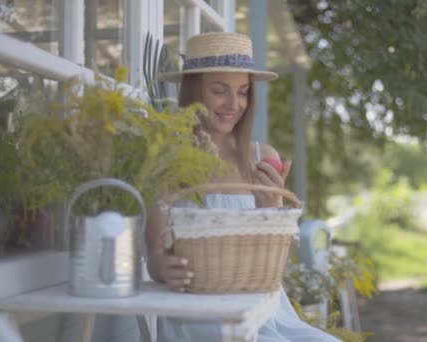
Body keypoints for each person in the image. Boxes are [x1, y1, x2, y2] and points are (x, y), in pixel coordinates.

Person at [146, 32, 340, 341]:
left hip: (264, 309)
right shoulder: (172, 158)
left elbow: (278, 265)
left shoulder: (264, 157)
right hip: (201, 315)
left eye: (242, 91)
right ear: (195, 93)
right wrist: (161, 268)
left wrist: (272, 211)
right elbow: (154, 255)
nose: (233, 104)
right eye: (219, 91)